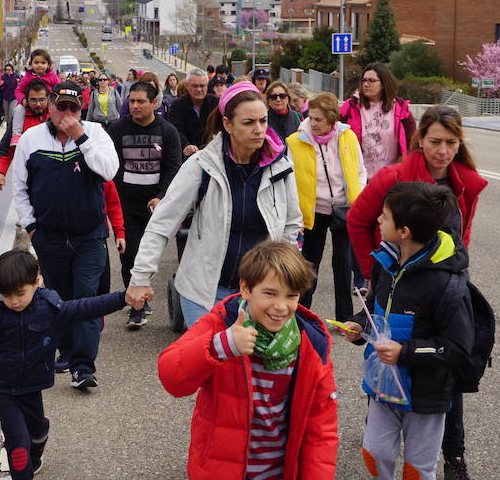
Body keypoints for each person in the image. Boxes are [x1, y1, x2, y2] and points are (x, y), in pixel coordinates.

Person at [347, 105, 487, 480]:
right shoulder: (395, 181)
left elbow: (461, 236)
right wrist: (375, 272)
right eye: (435, 141)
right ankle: (383, 426)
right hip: (397, 273)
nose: (443, 150)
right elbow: (359, 221)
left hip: (438, 278)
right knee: (388, 372)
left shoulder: (463, 181)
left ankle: (453, 454)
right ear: (420, 140)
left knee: (440, 383)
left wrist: (454, 268)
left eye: (451, 142)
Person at [157, 241, 338, 480]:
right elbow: (172, 377)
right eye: (270, 293)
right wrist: (222, 345)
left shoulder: (310, 346)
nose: (281, 307)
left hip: (278, 472)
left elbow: (321, 428)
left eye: (291, 296)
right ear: (246, 288)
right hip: (219, 469)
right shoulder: (221, 324)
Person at [128, 81, 301, 326]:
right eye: (249, 122)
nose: (259, 130)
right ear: (227, 124)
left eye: (263, 120)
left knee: (252, 364)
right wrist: (140, 278)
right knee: (210, 363)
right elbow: (162, 223)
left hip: (261, 296)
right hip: (204, 295)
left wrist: (283, 279)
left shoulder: (280, 166)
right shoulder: (202, 166)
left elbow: (292, 224)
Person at [0, 249, 132, 480]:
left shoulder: (49, 307)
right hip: (1, 388)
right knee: (18, 440)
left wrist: (122, 298)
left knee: (37, 431)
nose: (13, 301)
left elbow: (85, 307)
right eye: (6, 295)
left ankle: (37, 450)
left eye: (20, 293)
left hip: (32, 385)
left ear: (36, 283)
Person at [341, 183, 474, 480]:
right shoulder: (385, 262)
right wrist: (360, 325)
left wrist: (405, 352)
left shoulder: (447, 283)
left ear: (404, 231)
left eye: (384, 217)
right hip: (383, 384)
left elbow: (457, 347)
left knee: (418, 467)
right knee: (375, 452)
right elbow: (375, 307)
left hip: (427, 392)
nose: (378, 220)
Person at [10, 83, 119, 389]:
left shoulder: (95, 134)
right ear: (51, 107)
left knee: (85, 297)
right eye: (62, 108)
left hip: (89, 235)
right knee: (59, 298)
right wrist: (31, 226)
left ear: (81, 110)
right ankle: (67, 353)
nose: (67, 114)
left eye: (73, 109)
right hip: (50, 236)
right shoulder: (32, 139)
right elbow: (19, 188)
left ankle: (84, 366)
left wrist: (80, 138)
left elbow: (109, 171)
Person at [286, 91, 367, 321]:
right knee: (310, 264)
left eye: (319, 119)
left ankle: (344, 319)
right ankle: (302, 315)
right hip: (313, 212)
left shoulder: (347, 137)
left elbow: (361, 171)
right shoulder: (296, 141)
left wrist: (357, 197)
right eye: (311, 118)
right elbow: (289, 179)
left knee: (343, 265)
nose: (313, 123)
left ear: (332, 119)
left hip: (344, 208)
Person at [108, 81, 182, 327]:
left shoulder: (167, 131)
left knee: (146, 254)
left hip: (154, 205)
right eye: (132, 101)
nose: (135, 106)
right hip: (125, 204)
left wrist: (162, 196)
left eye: (141, 101)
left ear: (154, 103)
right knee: (128, 254)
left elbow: (173, 167)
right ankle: (136, 306)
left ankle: (141, 297)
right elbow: (111, 166)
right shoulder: (117, 129)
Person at [340, 63, 417, 179]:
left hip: (392, 177)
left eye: (371, 80)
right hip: (359, 177)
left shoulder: (400, 108)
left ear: (384, 84)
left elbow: (412, 140)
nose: (366, 84)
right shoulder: (350, 107)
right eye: (363, 80)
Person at [0, 80, 49, 192]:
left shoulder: (55, 117)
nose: (38, 104)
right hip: (28, 179)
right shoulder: (19, 119)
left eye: (41, 100)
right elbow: (5, 148)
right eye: (33, 100)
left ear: (48, 99)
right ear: (26, 101)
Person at [10, 49, 61, 145]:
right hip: (29, 103)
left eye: (43, 62)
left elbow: (59, 88)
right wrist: (22, 99)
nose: (39, 65)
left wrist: (54, 99)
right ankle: (16, 135)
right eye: (36, 62)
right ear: (31, 64)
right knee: (18, 110)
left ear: (48, 64)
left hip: (48, 102)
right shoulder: (27, 77)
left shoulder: (52, 76)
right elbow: (18, 90)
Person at [167, 68, 219, 158]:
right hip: (185, 155)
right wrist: (186, 145)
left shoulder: (216, 103)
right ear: (187, 86)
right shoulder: (177, 105)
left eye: (202, 86)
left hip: (212, 153)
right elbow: (175, 130)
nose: (199, 89)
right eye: (195, 86)